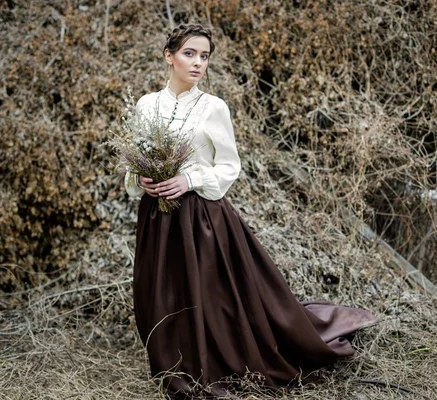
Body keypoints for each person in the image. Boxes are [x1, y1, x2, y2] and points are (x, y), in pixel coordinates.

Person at [125, 24, 377, 398]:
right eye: (189, 53)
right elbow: (134, 162)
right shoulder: (146, 105)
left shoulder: (213, 107)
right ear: (169, 55)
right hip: (158, 218)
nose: (198, 63)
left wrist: (189, 180)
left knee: (209, 296)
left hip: (200, 219)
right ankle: (172, 365)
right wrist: (141, 180)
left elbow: (229, 166)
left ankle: (210, 365)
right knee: (161, 294)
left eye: (205, 56)